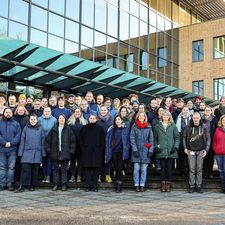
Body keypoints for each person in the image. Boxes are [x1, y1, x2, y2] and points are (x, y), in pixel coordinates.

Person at [16, 114, 45, 192]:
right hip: (27, 152)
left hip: (37, 152)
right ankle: (21, 185)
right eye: (31, 119)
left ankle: (32, 185)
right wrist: (20, 153)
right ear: (29, 120)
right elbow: (22, 140)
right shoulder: (26, 128)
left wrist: (43, 153)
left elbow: (43, 141)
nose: (33, 121)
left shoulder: (40, 129)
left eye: (34, 119)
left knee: (35, 170)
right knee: (24, 169)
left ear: (37, 120)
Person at [46, 114, 76, 191]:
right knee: (55, 169)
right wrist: (49, 150)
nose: (61, 120)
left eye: (63, 118)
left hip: (65, 152)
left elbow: (73, 141)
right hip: (55, 152)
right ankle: (55, 184)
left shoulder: (68, 129)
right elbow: (47, 141)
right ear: (58, 120)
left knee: (64, 169)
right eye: (60, 118)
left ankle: (64, 184)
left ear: (65, 120)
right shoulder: (54, 129)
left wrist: (71, 151)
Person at [183, 112, 211, 193]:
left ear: (199, 118)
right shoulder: (188, 127)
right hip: (190, 150)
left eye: (197, 118)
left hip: (201, 151)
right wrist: (185, 148)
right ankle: (192, 186)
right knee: (192, 169)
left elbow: (208, 139)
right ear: (192, 118)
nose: (195, 119)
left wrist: (206, 149)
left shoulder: (204, 127)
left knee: (199, 169)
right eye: (194, 118)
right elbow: (184, 138)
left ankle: (198, 185)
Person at [154, 110, 180, 192]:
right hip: (161, 150)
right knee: (162, 168)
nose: (165, 117)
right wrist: (155, 147)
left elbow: (177, 137)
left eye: (167, 115)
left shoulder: (173, 126)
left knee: (169, 168)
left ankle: (168, 184)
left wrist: (175, 147)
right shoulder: (157, 126)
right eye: (164, 116)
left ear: (169, 117)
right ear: (161, 117)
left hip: (170, 150)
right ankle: (163, 183)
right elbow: (155, 138)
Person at [80, 114, 105, 192]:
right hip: (86, 152)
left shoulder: (100, 129)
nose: (92, 119)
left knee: (96, 170)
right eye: (91, 118)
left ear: (96, 119)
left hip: (97, 152)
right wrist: (83, 149)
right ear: (88, 119)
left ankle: (95, 185)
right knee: (87, 169)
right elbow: (80, 140)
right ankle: (87, 185)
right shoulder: (84, 128)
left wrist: (100, 150)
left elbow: (102, 141)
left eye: (93, 118)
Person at [130, 112, 154, 192]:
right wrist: (135, 149)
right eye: (140, 116)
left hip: (145, 151)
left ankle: (142, 185)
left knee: (144, 169)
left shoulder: (149, 126)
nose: (141, 117)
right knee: (136, 169)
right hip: (136, 151)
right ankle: (136, 184)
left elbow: (151, 140)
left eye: (143, 116)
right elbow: (132, 138)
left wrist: (150, 150)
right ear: (137, 117)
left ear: (145, 117)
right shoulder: (134, 126)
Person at [105, 115, 130, 193]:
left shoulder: (126, 129)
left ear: (122, 120)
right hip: (113, 151)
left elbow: (128, 141)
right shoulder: (111, 129)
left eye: (119, 119)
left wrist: (127, 149)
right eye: (116, 120)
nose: (117, 121)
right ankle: (118, 183)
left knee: (119, 168)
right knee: (116, 168)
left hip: (122, 152)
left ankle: (119, 185)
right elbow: (108, 141)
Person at [0, 108, 21, 191]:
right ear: (4, 113)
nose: (8, 113)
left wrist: (11, 143)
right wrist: (4, 143)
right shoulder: (0, 123)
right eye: (6, 112)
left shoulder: (16, 124)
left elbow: (18, 136)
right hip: (2, 149)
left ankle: (10, 184)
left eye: (9, 112)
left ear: (12, 113)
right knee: (2, 167)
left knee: (11, 167)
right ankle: (2, 184)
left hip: (12, 149)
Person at [68, 107, 88, 183]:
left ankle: (79, 175)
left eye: (79, 112)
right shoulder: (70, 122)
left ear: (81, 113)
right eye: (76, 112)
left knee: (80, 161)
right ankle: (72, 175)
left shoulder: (84, 122)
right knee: (72, 161)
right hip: (72, 145)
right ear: (74, 113)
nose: (77, 113)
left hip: (81, 145)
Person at [38, 107, 57, 183]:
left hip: (51, 143)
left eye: (48, 111)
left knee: (49, 161)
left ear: (51, 112)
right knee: (43, 161)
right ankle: (45, 175)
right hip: (41, 142)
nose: (47, 112)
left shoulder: (54, 120)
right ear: (43, 112)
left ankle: (48, 176)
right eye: (45, 111)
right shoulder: (39, 119)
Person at [97, 105, 113, 183]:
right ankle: (99, 175)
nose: (103, 111)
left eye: (104, 110)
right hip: (99, 144)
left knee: (108, 160)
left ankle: (107, 175)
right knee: (99, 159)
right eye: (102, 110)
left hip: (108, 144)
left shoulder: (111, 121)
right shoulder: (97, 121)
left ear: (107, 111)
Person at [202, 106, 217, 179]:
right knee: (204, 156)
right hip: (203, 139)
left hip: (212, 138)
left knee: (211, 156)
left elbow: (216, 128)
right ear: (204, 111)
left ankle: (210, 172)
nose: (207, 111)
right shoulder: (201, 119)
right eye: (206, 110)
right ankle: (205, 172)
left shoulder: (214, 119)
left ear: (211, 111)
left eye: (208, 110)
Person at [176, 106, 191, 176]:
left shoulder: (190, 118)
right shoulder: (178, 118)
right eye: (184, 110)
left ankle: (188, 170)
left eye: (186, 110)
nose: (185, 111)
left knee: (188, 155)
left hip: (189, 139)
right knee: (181, 155)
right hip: (180, 138)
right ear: (182, 111)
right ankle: (181, 170)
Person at [213, 115, 225, 194]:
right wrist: (215, 148)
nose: (224, 121)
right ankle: (223, 187)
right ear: (221, 121)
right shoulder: (217, 129)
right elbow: (214, 141)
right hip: (218, 153)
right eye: (223, 120)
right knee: (221, 171)